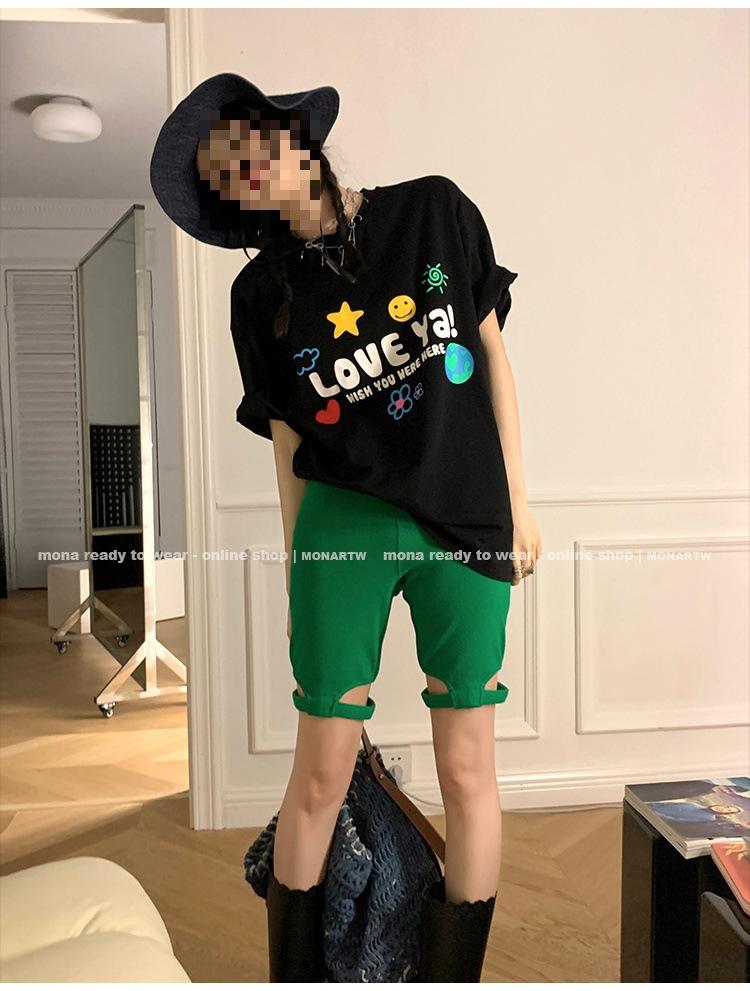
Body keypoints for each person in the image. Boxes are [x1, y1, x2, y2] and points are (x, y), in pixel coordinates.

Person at [150, 72, 542, 983]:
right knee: (321, 774)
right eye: (227, 175)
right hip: (342, 529)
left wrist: (520, 502)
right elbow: (288, 449)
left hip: (464, 518)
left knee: (469, 772)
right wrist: (303, 568)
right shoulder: (261, 295)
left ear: (295, 135)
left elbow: (491, 355)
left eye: (251, 147)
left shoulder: (434, 211)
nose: (249, 172)